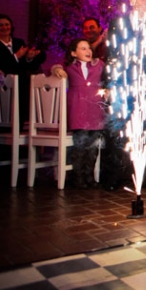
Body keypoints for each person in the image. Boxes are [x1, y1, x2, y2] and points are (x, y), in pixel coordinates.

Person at [103, 0, 146, 191]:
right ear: (131, 1)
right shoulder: (118, 24)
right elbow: (112, 53)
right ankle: (114, 176)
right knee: (118, 128)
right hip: (123, 83)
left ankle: (139, 175)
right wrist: (109, 83)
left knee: (144, 129)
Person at [52, 39, 106, 189]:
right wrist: (57, 70)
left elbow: (109, 77)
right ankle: (78, 176)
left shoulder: (98, 65)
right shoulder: (69, 67)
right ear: (74, 53)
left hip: (95, 109)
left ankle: (89, 175)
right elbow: (55, 67)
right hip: (78, 108)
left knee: (94, 144)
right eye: (83, 49)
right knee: (80, 143)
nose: (88, 51)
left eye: (88, 48)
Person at [0, 13, 46, 124]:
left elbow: (26, 65)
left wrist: (29, 58)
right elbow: (3, 66)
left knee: (20, 118)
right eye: (1, 25)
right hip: (4, 87)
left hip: (22, 85)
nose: (4, 27)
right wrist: (16, 56)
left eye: (7, 24)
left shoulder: (19, 42)